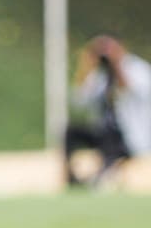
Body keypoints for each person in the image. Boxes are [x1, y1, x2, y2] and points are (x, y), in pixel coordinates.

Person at [64, 34, 151, 187]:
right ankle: (72, 178)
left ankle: (103, 177)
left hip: (128, 135)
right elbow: (79, 102)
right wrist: (87, 66)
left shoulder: (138, 69)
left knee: (110, 137)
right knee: (70, 131)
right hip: (103, 132)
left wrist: (117, 65)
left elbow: (131, 92)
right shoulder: (99, 75)